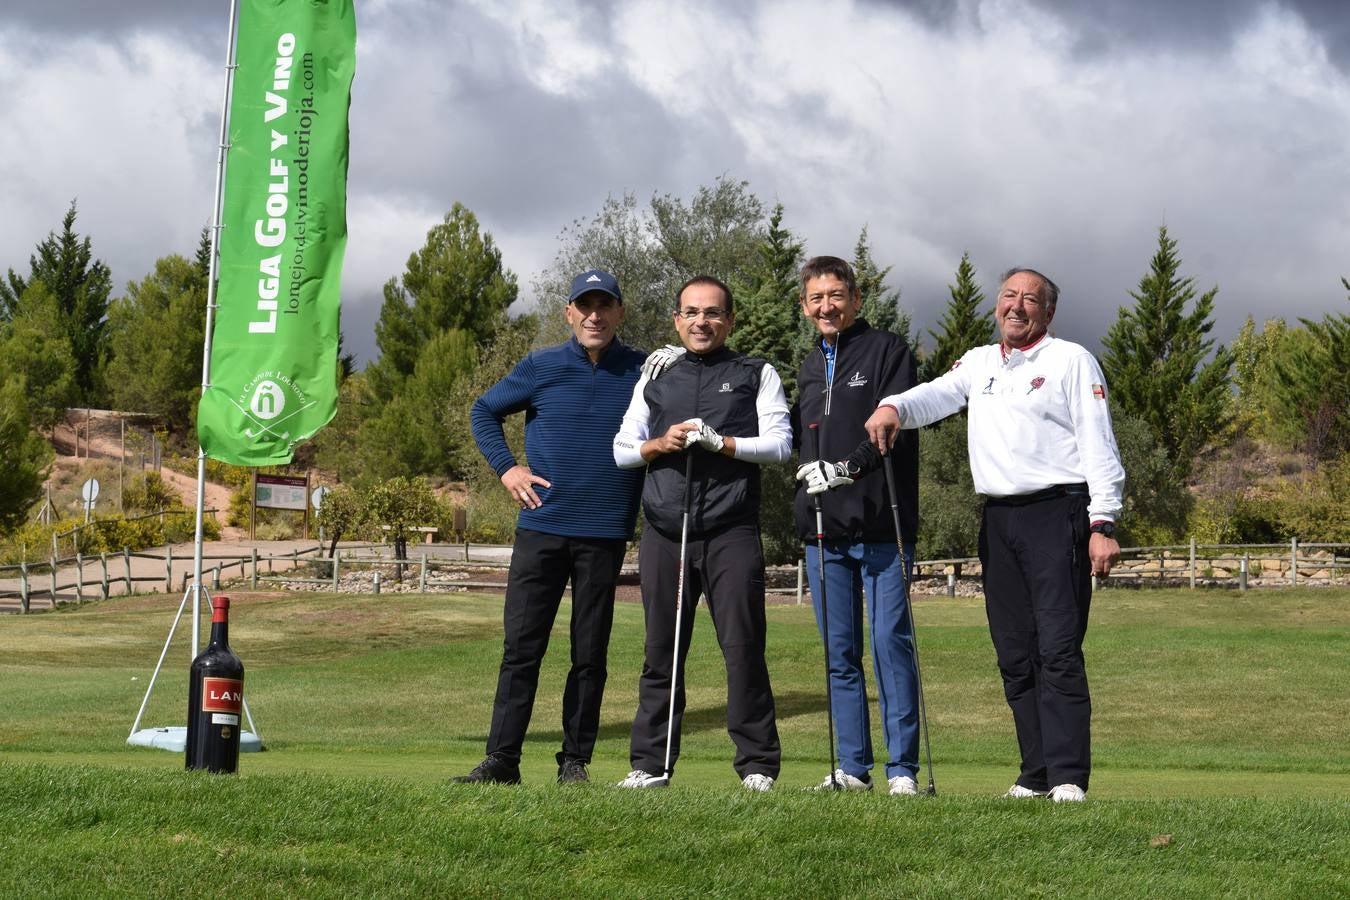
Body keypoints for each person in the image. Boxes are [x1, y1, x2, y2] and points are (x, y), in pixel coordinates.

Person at [864, 267, 1124, 803]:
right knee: (1013, 653)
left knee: (1057, 650)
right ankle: (1036, 773)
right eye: (1009, 296)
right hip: (999, 520)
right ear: (997, 305)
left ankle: (1069, 776)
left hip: (1060, 513)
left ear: (1047, 312)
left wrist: (1104, 523)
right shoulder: (980, 362)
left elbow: (1099, 445)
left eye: (1031, 299)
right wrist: (893, 407)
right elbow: (935, 396)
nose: (1017, 306)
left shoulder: (1071, 360)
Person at [454, 269, 647, 785]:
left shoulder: (644, 370)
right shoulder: (541, 366)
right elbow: (483, 411)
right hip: (542, 527)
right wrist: (507, 468)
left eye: (605, 305)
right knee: (522, 648)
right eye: (584, 305)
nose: (595, 315)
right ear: (568, 313)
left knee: (589, 653)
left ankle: (575, 762)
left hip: (605, 531)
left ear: (619, 312)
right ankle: (502, 761)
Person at [611, 275, 791, 792]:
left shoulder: (755, 372)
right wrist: (659, 445)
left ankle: (757, 765)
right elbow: (623, 449)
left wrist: (723, 443)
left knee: (743, 648)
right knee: (661, 652)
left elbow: (780, 445)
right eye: (690, 312)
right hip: (666, 531)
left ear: (729, 321)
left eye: (712, 313)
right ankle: (651, 765)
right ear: (676, 320)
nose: (701, 322)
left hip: (731, 530)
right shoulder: (657, 377)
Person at [791, 256, 922, 794]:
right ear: (805, 307)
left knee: (890, 643)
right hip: (823, 530)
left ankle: (902, 771)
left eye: (837, 295)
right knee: (839, 653)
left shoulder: (888, 351)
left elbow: (893, 430)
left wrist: (845, 471)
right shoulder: (803, 366)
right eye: (817, 298)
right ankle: (852, 768)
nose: (828, 306)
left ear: (856, 299)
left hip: (881, 526)